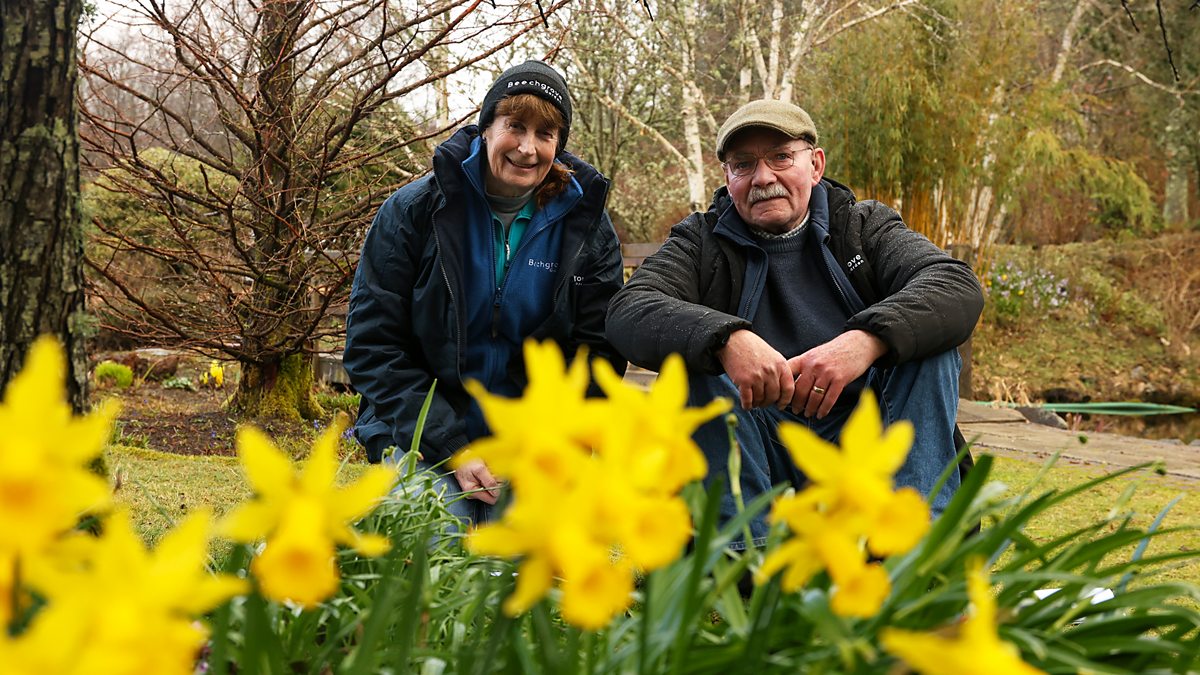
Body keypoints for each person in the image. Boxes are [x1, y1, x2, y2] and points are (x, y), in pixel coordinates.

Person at [606, 99, 983, 548]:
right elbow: (630, 309)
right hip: (761, 449)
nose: (763, 178)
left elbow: (955, 285)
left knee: (928, 343)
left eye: (781, 157)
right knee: (692, 356)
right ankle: (744, 559)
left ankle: (915, 549)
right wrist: (728, 338)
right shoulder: (700, 243)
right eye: (743, 165)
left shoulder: (864, 227)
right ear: (727, 177)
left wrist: (865, 340)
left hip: (868, 451)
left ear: (815, 163)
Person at [345, 60, 626, 526]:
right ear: (485, 128)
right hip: (426, 430)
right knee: (434, 547)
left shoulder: (586, 227)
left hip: (532, 443)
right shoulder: (415, 212)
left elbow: (599, 353)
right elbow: (373, 346)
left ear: (560, 144)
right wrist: (453, 447)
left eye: (546, 132)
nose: (528, 148)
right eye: (514, 125)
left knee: (525, 576)